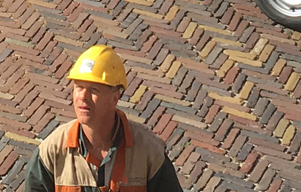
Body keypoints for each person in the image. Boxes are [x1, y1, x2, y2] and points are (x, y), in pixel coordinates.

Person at [24, 45, 182, 192]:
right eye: (78, 87)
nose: (83, 97)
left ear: (115, 98)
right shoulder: (52, 152)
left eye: (94, 90)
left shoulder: (149, 152)